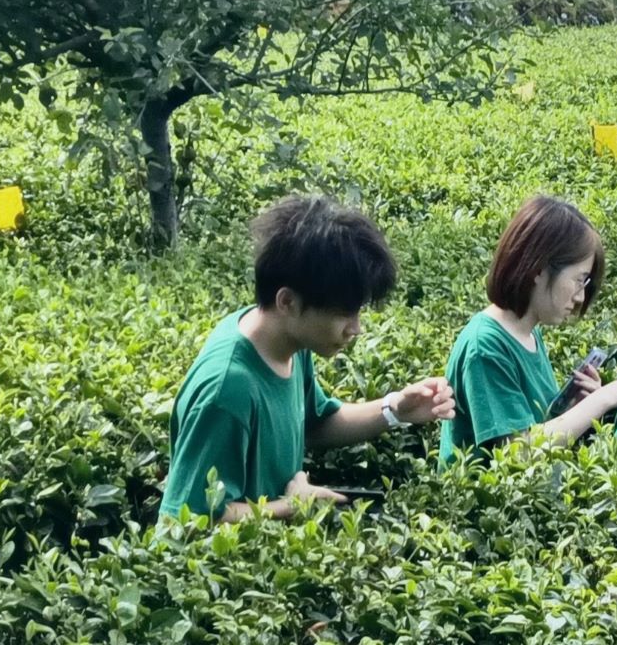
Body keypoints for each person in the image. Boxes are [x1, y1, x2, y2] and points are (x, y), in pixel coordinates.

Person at [160, 194, 455, 522]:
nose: (355, 329)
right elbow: (188, 519)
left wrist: (395, 410)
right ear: (287, 302)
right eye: (344, 314)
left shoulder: (287, 344)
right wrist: (293, 506)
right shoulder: (227, 391)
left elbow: (315, 424)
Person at [439, 195, 617, 464]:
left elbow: (536, 427)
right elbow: (517, 453)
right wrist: (604, 398)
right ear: (539, 269)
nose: (580, 297)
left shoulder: (529, 333)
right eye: (580, 281)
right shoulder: (484, 345)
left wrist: (572, 407)